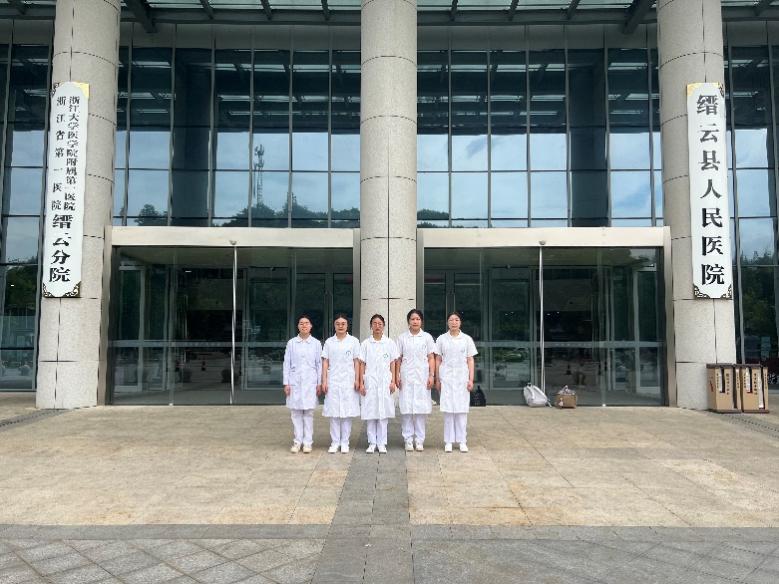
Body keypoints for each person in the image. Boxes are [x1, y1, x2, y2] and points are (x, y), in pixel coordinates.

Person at [435, 311, 478, 453]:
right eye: (451, 320)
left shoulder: (467, 339)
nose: (454, 322)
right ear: (447, 322)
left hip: (462, 379)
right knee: (448, 411)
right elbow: (438, 359)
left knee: (461, 411)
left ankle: (462, 441)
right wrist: (437, 379)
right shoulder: (441, 339)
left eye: (456, 320)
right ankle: (448, 441)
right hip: (446, 378)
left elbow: (470, 360)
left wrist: (471, 379)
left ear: (460, 322)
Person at [396, 309, 436, 452]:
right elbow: (398, 358)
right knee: (407, 409)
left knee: (420, 410)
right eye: (412, 319)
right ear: (408, 321)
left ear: (421, 321)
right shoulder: (402, 338)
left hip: (422, 377)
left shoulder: (427, 337)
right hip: (406, 376)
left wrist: (431, 375)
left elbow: (431, 357)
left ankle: (419, 440)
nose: (415, 321)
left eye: (418, 319)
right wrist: (397, 376)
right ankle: (408, 440)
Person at [321, 313, 361, 454]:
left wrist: (357, 379)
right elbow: (325, 362)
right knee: (334, 413)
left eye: (343, 323)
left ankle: (345, 442)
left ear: (347, 325)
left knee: (346, 413)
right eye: (338, 324)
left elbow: (357, 362)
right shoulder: (329, 342)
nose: (340, 326)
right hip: (333, 380)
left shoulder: (354, 341)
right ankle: (335, 442)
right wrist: (324, 380)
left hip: (349, 381)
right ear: (334, 325)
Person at [358, 314, 398, 454]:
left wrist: (393, 381)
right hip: (370, 381)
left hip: (385, 381)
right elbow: (362, 364)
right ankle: (372, 443)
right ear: (371, 326)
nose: (377, 326)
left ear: (383, 326)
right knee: (370, 413)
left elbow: (393, 362)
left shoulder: (390, 343)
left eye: (380, 323)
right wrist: (361, 383)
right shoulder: (365, 344)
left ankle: (381, 443)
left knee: (383, 414)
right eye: (374, 323)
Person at [283, 315, 322, 454]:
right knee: (296, 413)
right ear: (298, 326)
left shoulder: (316, 343)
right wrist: (286, 383)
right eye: (301, 323)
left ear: (311, 326)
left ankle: (308, 442)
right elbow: (286, 363)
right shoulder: (292, 343)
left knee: (309, 413)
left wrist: (319, 383)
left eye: (306, 323)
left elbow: (319, 364)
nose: (304, 325)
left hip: (310, 382)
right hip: (294, 382)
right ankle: (297, 441)